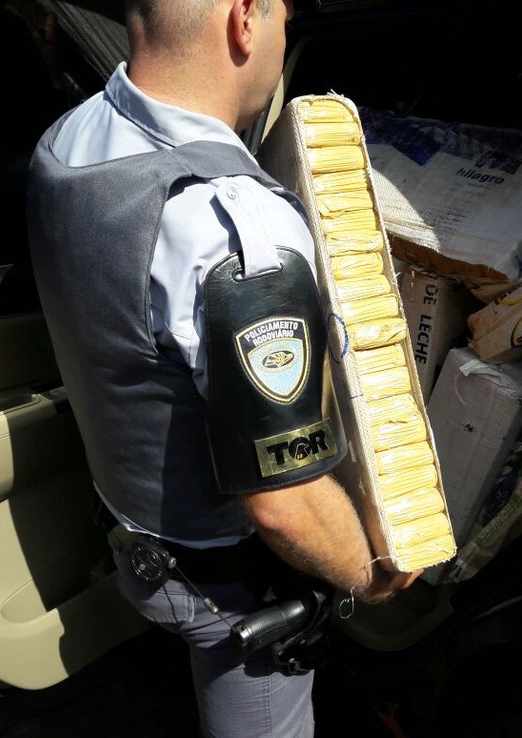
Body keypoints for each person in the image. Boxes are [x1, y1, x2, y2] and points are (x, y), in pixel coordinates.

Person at [25, 1, 421, 735]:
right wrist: (372, 571)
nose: (281, 43)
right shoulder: (238, 233)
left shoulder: (72, 138)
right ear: (244, 20)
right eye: (283, 23)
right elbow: (284, 501)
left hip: (130, 525)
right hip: (222, 588)